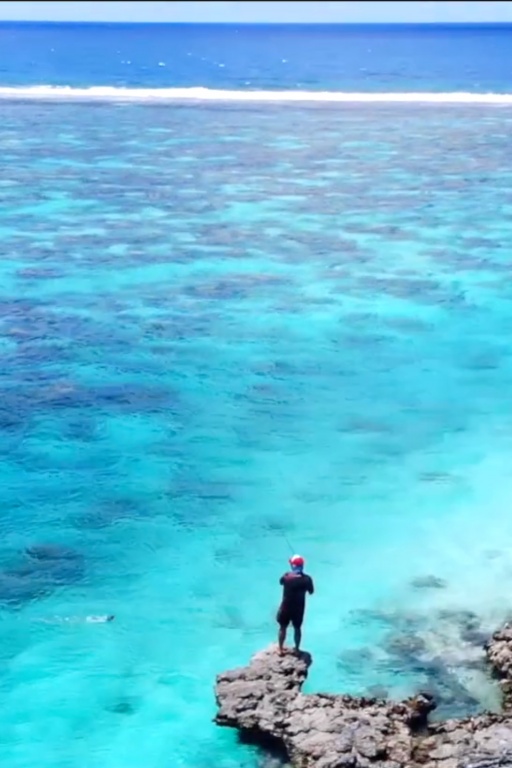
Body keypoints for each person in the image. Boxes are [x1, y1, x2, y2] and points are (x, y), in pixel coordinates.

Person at [276, 554, 314, 654]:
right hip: (298, 609)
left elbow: (280, 581)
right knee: (297, 628)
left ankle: (280, 649)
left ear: (293, 566)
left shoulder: (287, 577)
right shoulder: (307, 579)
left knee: (282, 627)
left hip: (285, 607)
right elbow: (311, 591)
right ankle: (296, 649)